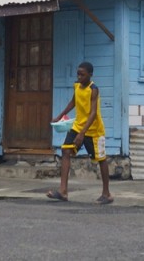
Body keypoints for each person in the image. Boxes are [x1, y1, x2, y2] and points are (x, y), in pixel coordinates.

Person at [46, 61, 113, 204]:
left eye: (82, 74)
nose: (79, 77)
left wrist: (82, 134)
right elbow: (73, 102)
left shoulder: (93, 89)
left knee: (101, 159)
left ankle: (107, 194)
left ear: (90, 75)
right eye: (78, 74)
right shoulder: (76, 85)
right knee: (65, 151)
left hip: (94, 130)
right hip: (77, 126)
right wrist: (60, 115)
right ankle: (63, 191)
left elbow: (93, 113)